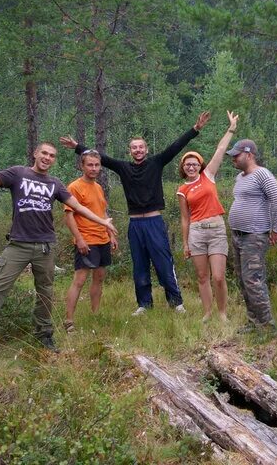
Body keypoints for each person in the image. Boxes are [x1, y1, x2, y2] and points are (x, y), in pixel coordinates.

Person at [0, 142, 117, 352]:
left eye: (52, 155)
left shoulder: (55, 183)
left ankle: (44, 335)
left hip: (45, 246)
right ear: (35, 153)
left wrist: (103, 222)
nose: (47, 157)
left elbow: (77, 207)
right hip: (19, 244)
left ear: (54, 160)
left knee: (45, 292)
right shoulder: (18, 174)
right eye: (44, 153)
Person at [59, 112, 211, 316]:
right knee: (139, 265)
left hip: (154, 221)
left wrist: (196, 129)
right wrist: (78, 147)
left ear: (146, 150)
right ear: (130, 151)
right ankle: (144, 304)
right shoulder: (123, 168)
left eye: (141, 147)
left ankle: (176, 302)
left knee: (163, 262)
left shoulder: (156, 163)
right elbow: (100, 159)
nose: (138, 150)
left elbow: (176, 147)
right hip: (135, 225)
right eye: (134, 148)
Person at [176, 111, 239, 322]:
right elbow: (185, 218)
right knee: (202, 277)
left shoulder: (208, 176)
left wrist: (231, 128)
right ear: (183, 168)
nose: (191, 166)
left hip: (216, 229)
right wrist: (185, 243)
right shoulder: (182, 189)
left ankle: (222, 313)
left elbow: (221, 149)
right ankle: (207, 312)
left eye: (194, 163)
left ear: (200, 165)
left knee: (219, 277)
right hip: (196, 232)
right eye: (187, 164)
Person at [226, 138, 277, 333]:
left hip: (254, 236)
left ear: (249, 154)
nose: (233, 158)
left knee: (253, 280)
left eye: (236, 155)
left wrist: (275, 229)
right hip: (238, 236)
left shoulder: (262, 174)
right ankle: (254, 322)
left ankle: (268, 327)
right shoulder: (240, 177)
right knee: (243, 279)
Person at [62, 150, 118, 333]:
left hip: (102, 239)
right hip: (86, 240)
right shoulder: (74, 187)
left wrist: (111, 234)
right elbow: (69, 216)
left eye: (96, 165)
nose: (94, 168)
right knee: (79, 279)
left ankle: (95, 314)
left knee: (99, 277)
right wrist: (79, 240)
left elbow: (103, 213)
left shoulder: (99, 187)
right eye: (90, 165)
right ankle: (69, 321)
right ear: (82, 165)